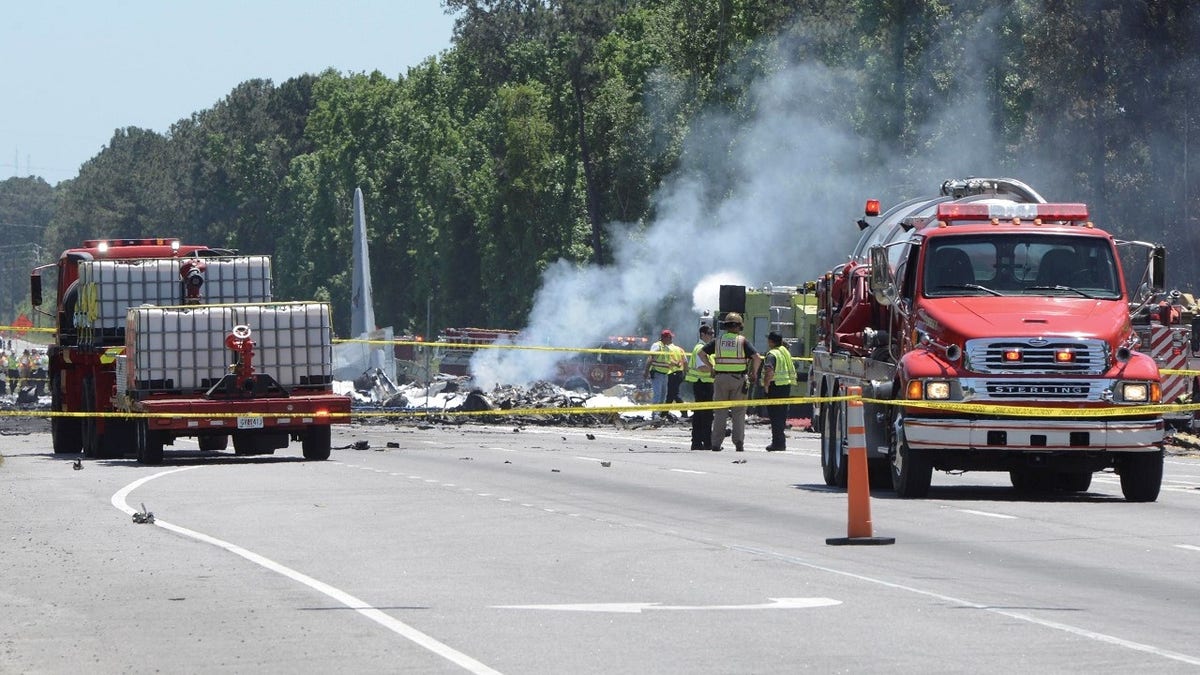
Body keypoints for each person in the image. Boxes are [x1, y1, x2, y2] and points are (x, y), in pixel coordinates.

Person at [699, 313, 761, 452]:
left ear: (725, 326)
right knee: (738, 412)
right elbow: (757, 357)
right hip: (738, 380)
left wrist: (711, 368)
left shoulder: (718, 341)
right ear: (739, 326)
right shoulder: (742, 341)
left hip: (720, 379)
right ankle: (738, 442)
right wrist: (754, 373)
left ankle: (715, 444)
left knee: (720, 412)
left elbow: (701, 354)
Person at [761, 331, 796, 451]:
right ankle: (781, 442)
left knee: (775, 417)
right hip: (785, 386)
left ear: (771, 341)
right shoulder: (784, 351)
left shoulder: (772, 354)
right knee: (781, 416)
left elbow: (769, 371)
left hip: (775, 386)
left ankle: (777, 443)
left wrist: (766, 386)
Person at [685, 324, 715, 449]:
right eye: (710, 333)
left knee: (700, 414)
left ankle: (698, 442)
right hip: (702, 383)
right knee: (705, 414)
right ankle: (706, 442)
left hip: (703, 383)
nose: (712, 335)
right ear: (702, 334)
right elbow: (701, 367)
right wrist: (714, 371)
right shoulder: (701, 348)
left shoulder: (705, 348)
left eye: (713, 333)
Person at [643, 329, 677, 415]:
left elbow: (667, 360)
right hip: (657, 374)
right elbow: (650, 358)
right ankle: (655, 415)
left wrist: (676, 363)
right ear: (664, 338)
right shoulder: (657, 346)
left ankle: (659, 414)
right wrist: (646, 372)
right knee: (657, 395)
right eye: (670, 337)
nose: (671, 339)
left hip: (664, 375)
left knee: (662, 396)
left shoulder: (666, 348)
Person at [666, 337, 688, 417]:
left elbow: (669, 360)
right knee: (671, 394)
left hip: (672, 373)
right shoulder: (680, 349)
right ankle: (664, 413)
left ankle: (684, 412)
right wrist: (685, 374)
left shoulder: (667, 349)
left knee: (674, 394)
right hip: (680, 374)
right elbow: (685, 362)